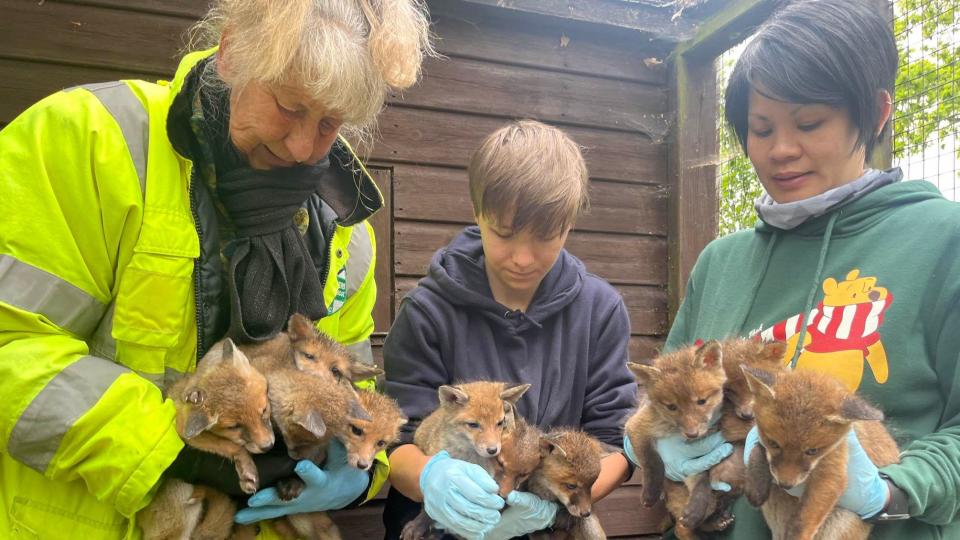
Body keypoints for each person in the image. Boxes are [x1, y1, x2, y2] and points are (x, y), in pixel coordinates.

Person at [0, 0, 432, 537]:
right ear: (232, 52)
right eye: (289, 107)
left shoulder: (349, 233)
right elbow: (12, 345)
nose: (302, 148)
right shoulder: (90, 140)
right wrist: (184, 449)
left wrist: (357, 466)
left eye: (329, 123)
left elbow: (344, 375)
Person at [624, 0, 960, 538]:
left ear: (875, 114)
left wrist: (894, 492)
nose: (781, 150)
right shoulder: (720, 262)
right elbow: (667, 392)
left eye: (809, 122)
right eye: (760, 129)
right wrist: (655, 444)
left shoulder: (945, 241)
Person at [382, 119, 637, 539]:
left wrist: (551, 509)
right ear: (477, 211)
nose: (522, 257)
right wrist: (432, 481)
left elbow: (616, 444)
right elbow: (395, 441)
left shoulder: (600, 310)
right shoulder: (427, 311)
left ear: (569, 224)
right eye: (503, 234)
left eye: (545, 238)